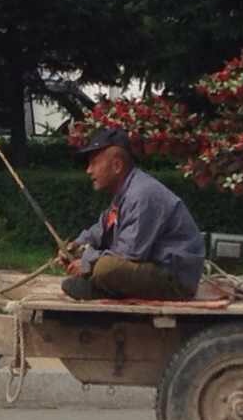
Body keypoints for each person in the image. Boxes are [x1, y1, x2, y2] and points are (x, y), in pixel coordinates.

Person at [60, 127, 204, 301]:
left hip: (175, 280)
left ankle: (100, 288)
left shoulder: (142, 194)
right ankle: (100, 287)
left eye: (94, 163)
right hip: (154, 269)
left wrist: (87, 262)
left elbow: (127, 255)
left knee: (105, 268)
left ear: (117, 165)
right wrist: (76, 246)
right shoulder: (123, 194)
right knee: (100, 265)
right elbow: (102, 228)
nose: (89, 170)